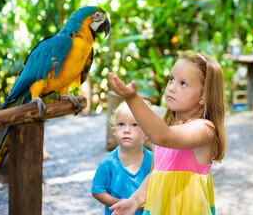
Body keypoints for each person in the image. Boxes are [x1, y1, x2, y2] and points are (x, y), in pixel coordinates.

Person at [108, 50, 227, 215]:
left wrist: (131, 97)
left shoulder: (205, 129)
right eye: (171, 79)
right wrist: (134, 201)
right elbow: (155, 175)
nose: (171, 87)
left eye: (183, 83)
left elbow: (165, 136)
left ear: (203, 97)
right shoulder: (167, 127)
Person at [91, 101, 153, 215]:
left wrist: (149, 200)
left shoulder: (154, 161)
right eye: (121, 124)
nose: (126, 130)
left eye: (134, 125)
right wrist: (119, 202)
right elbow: (97, 191)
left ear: (147, 133)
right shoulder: (107, 163)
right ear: (115, 131)